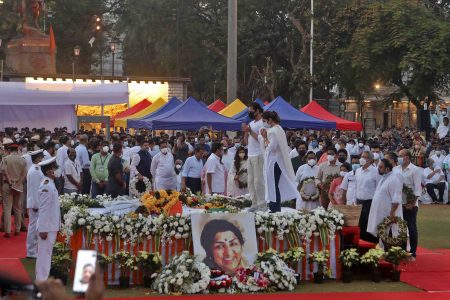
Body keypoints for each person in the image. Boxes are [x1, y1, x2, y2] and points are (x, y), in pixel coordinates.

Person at [260, 111, 299, 213]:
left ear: (270, 120)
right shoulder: (279, 129)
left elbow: (272, 148)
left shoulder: (273, 131)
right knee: (274, 184)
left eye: (264, 121)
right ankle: (274, 207)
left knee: (273, 184)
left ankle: (274, 208)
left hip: (274, 162)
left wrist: (265, 138)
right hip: (276, 161)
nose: (263, 123)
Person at [35, 157, 60, 281]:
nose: (55, 171)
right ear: (48, 171)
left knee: (47, 254)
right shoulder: (46, 186)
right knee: (44, 255)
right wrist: (43, 229)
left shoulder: (50, 183)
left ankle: (42, 280)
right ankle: (41, 281)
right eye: (53, 169)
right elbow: (44, 209)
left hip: (51, 225)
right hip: (47, 227)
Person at [367, 159, 403, 241]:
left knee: (389, 236)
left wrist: (392, 213)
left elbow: (396, 199)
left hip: (388, 214)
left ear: (387, 169)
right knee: (381, 236)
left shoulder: (394, 179)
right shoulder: (384, 178)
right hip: (381, 213)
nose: (378, 168)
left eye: (380, 167)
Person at [395, 149, 422, 260]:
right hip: (398, 204)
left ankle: (413, 252)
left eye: (401, 155)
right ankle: (401, 250)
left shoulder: (415, 170)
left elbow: (417, 188)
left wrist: (413, 203)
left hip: (410, 204)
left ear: (407, 157)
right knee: (400, 228)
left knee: (411, 228)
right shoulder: (396, 169)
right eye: (399, 155)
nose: (399, 157)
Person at [242, 102, 266, 211]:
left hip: (259, 155)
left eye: (251, 110)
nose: (249, 113)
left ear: (257, 111)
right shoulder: (251, 123)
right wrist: (245, 132)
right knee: (250, 181)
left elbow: (261, 139)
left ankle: (262, 205)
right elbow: (246, 141)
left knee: (258, 181)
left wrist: (250, 131)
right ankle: (254, 203)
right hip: (250, 155)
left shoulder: (262, 123)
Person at [1, 141, 27, 238]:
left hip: (8, 184)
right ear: (17, 149)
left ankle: (7, 231)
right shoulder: (22, 160)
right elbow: (24, 174)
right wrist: (18, 183)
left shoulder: (6, 159)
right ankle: (17, 229)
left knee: (7, 208)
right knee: (18, 208)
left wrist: (10, 181)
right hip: (18, 185)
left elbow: (4, 171)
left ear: (9, 150)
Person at [355, 151, 380, 244]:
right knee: (360, 225)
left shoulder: (375, 172)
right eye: (361, 156)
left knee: (370, 226)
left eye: (364, 157)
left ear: (370, 160)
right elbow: (356, 187)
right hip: (359, 202)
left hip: (370, 202)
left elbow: (378, 188)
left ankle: (372, 246)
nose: (362, 159)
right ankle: (361, 245)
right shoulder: (358, 171)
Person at [26, 150, 44, 259]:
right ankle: (31, 251)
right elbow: (35, 189)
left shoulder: (35, 169)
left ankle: (32, 250)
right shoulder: (35, 171)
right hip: (35, 204)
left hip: (35, 203)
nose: (42, 158)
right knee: (33, 228)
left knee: (34, 227)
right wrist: (36, 205)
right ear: (37, 158)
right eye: (41, 157)